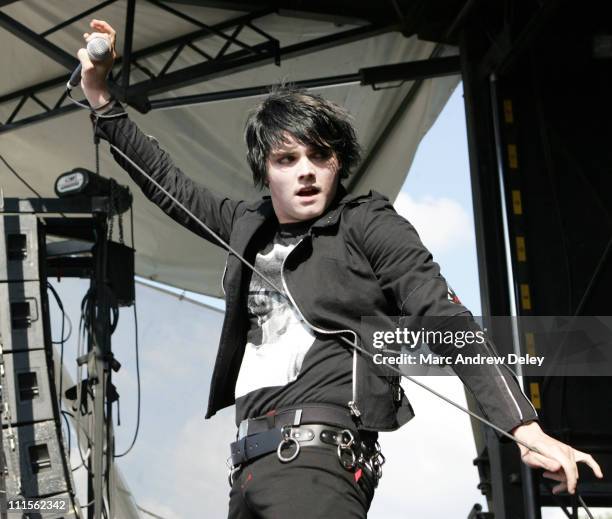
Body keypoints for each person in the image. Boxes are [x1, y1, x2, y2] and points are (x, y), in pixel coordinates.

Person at [78, 19, 603, 518]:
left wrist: (522, 425)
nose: (305, 171)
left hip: (319, 461)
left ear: (338, 164)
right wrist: (101, 97)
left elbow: (445, 318)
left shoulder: (367, 223)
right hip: (247, 469)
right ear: (265, 170)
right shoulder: (246, 225)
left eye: (319, 157)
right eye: (286, 160)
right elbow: (170, 184)